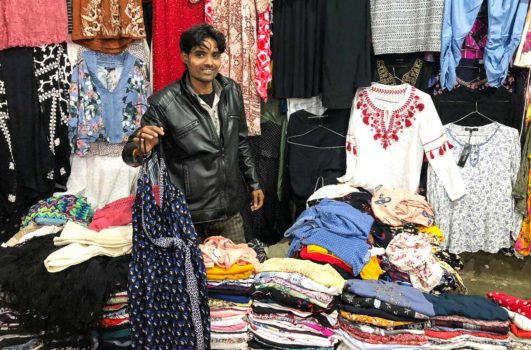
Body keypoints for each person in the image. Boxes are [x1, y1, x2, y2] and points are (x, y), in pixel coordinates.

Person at [122, 23, 264, 244]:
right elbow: (130, 152)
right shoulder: (164, 103)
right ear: (185, 57)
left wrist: (253, 182)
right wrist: (141, 148)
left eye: (215, 55)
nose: (209, 62)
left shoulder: (231, 91)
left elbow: (241, 142)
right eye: (200, 54)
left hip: (230, 210)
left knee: (237, 274)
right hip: (187, 215)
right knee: (192, 277)